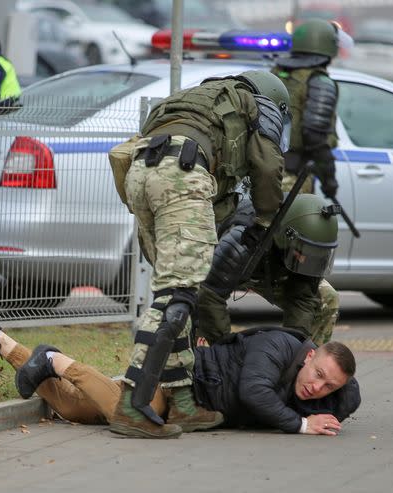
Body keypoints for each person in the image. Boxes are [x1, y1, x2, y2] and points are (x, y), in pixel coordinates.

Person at [106, 70, 290, 438]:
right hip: (183, 172)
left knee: (177, 293)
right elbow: (269, 168)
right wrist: (267, 220)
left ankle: (184, 403)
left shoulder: (200, 99)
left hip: (140, 171)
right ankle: (131, 404)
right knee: (176, 298)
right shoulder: (258, 104)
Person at [0, 318, 361, 437]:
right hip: (177, 383)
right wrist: (304, 423)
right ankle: (52, 358)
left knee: (74, 408)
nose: (317, 388)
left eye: (329, 387)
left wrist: (339, 396)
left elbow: (350, 398)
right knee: (121, 409)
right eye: (319, 375)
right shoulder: (275, 346)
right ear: (309, 355)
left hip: (190, 406)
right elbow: (253, 392)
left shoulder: (320, 380)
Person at [270, 18, 351, 346]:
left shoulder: (278, 75)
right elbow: (317, 135)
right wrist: (330, 182)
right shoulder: (320, 82)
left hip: (267, 176)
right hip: (296, 181)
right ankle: (300, 349)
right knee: (301, 275)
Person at [198, 194, 340, 346]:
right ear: (286, 236)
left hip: (273, 271)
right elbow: (209, 294)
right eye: (303, 252)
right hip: (223, 267)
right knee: (189, 299)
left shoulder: (305, 252)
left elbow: (302, 300)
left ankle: (308, 363)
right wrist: (224, 346)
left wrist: (292, 350)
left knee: (327, 298)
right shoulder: (244, 238)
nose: (305, 260)